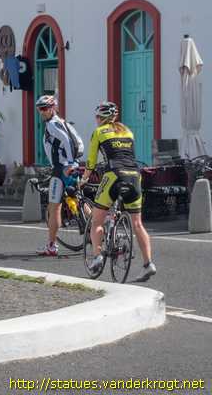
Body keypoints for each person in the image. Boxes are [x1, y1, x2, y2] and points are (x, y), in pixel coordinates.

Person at [81, 101, 156, 282]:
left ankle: (98, 257)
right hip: (134, 175)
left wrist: (84, 179)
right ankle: (148, 264)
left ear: (102, 118)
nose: (96, 120)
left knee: (97, 221)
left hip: (113, 175)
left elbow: (91, 161)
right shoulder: (128, 131)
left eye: (97, 117)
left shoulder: (99, 132)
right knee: (137, 224)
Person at [34, 95, 80, 257]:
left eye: (45, 108)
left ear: (53, 108)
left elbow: (67, 141)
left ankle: (51, 246)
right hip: (73, 166)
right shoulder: (64, 122)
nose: (42, 112)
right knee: (77, 199)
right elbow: (79, 143)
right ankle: (96, 229)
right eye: (40, 109)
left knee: (54, 208)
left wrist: (67, 162)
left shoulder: (52, 125)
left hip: (61, 170)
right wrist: (73, 162)